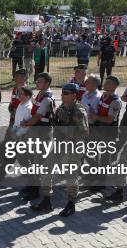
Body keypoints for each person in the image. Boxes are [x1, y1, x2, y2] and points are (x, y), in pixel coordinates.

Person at [52, 83, 89, 216]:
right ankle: (46, 199)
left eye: (66, 93)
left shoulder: (78, 111)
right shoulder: (62, 107)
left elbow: (84, 132)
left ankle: (71, 203)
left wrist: (68, 135)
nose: (63, 95)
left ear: (74, 95)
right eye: (62, 93)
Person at [24, 73, 56, 210]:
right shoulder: (40, 94)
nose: (37, 83)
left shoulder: (47, 98)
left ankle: (38, 192)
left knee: (39, 162)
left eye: (40, 81)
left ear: (47, 83)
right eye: (37, 81)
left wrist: (26, 124)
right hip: (36, 131)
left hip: (42, 133)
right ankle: (33, 187)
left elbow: (37, 116)